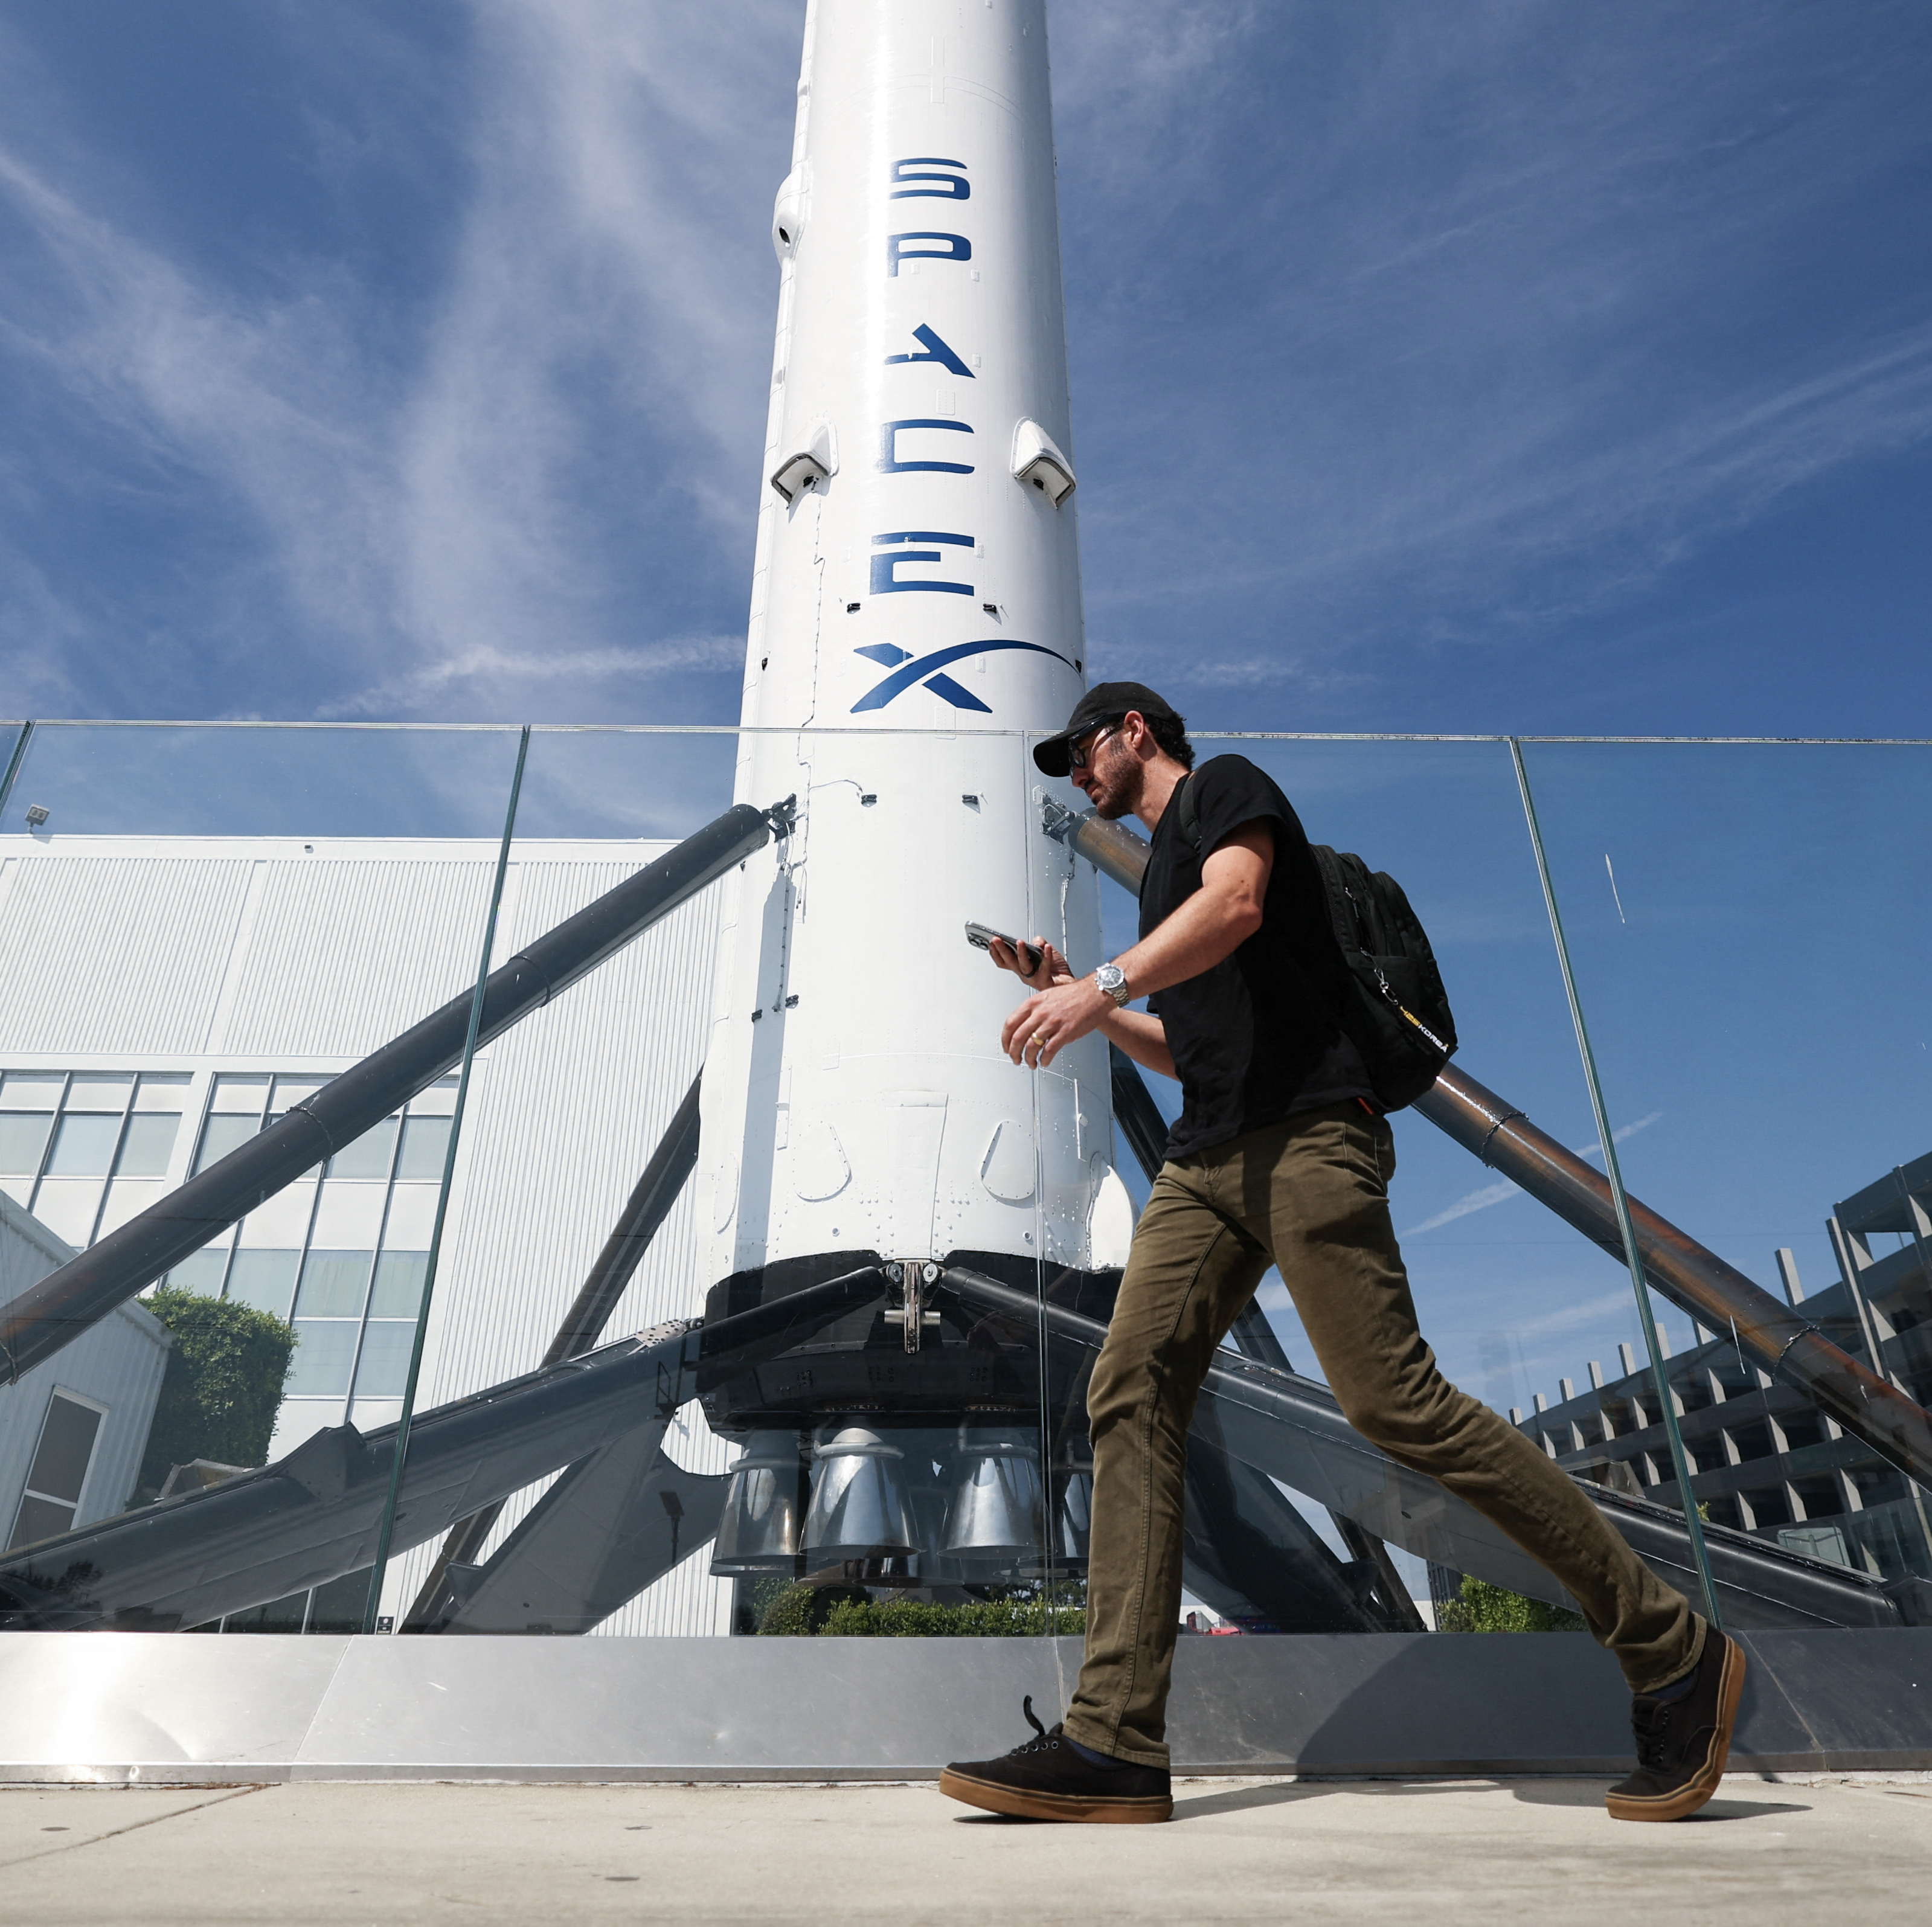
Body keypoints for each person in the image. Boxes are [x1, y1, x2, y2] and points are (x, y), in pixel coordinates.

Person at [937, 681, 1744, 1826]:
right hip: (1206, 1157)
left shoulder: (1223, 793)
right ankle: (1115, 1742)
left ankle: (1674, 1649)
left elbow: (1244, 901)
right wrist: (1082, 996)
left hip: (1312, 1137)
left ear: (1133, 733)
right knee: (1130, 1386)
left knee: (1394, 1404)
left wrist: (1101, 982)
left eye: (1081, 750)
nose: (1075, 773)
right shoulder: (1163, 876)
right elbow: (1189, 1052)